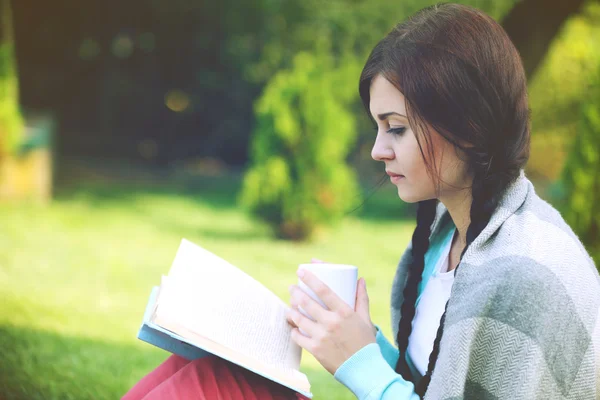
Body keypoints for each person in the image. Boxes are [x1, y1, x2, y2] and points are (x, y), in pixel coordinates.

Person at [123, 3, 600, 399]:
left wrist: (359, 363)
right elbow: (432, 384)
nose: (378, 150)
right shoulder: (446, 238)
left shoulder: (522, 273)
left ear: (467, 125)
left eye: (395, 127)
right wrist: (359, 338)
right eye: (378, 127)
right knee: (210, 374)